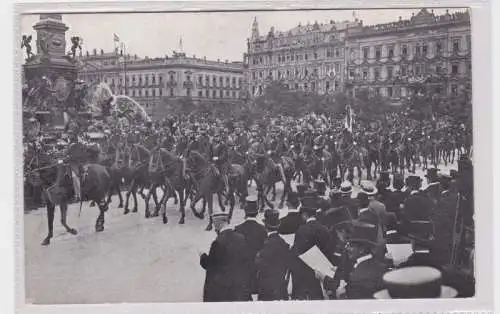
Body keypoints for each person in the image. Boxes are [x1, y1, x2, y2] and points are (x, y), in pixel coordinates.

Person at [200, 212, 253, 302]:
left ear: (218, 224)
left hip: (223, 291)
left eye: (214, 224)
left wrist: (202, 256)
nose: (214, 228)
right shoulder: (241, 238)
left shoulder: (217, 242)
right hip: (239, 289)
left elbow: (211, 266)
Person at [255, 209, 293, 301]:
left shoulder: (266, 244)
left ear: (265, 226)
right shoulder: (284, 243)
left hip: (267, 289)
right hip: (281, 286)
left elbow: (258, 264)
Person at [234, 196, 267, 296]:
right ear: (257, 212)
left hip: (242, 276)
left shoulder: (238, 229)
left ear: (245, 211)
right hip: (258, 275)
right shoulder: (263, 229)